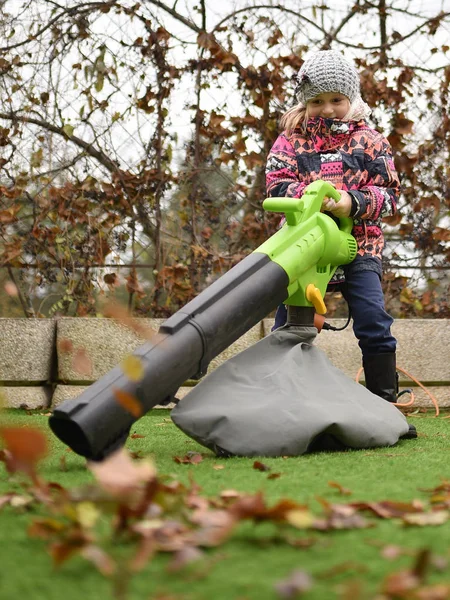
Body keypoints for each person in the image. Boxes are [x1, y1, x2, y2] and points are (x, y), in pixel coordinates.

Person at [265, 49, 416, 436]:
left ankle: (386, 407)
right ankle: (280, 403)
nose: (327, 108)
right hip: (305, 250)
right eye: (317, 101)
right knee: (291, 324)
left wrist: (352, 201)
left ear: (351, 99)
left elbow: (389, 195)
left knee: (373, 320)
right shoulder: (290, 141)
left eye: (336, 99)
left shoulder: (370, 141)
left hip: (358, 247)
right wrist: (310, 195)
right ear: (305, 102)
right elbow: (276, 184)